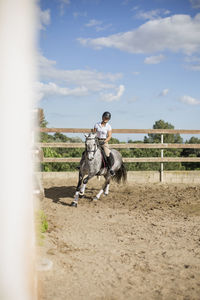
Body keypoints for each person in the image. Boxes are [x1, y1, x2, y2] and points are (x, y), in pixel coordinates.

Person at [93, 111, 114, 175]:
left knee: (107, 154)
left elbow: (109, 136)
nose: (106, 119)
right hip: (96, 140)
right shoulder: (97, 125)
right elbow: (94, 133)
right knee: (88, 150)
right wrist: (95, 140)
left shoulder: (109, 126)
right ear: (102, 117)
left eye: (107, 118)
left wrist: (104, 141)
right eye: (105, 118)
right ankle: (82, 165)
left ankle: (110, 168)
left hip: (104, 141)